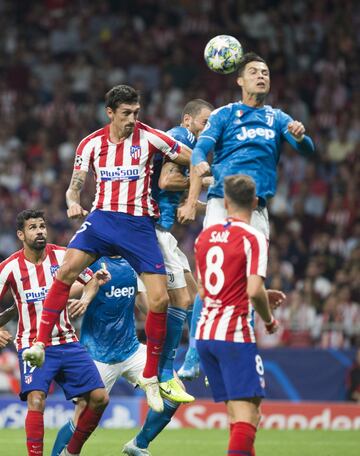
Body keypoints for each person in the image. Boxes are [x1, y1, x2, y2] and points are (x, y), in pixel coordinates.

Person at [22, 85, 192, 413]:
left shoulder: (151, 137)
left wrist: (201, 175)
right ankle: (40, 342)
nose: (132, 119)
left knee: (159, 300)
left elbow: (191, 157)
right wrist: (73, 203)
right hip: (101, 220)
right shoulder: (90, 144)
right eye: (126, 113)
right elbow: (75, 187)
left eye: (136, 113)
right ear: (110, 113)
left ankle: (152, 377)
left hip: (138, 225)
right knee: (66, 271)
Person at [178, 52, 315, 372]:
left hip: (257, 209)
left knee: (249, 283)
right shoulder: (225, 114)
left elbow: (307, 150)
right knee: (208, 279)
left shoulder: (278, 118)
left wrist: (301, 136)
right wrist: (199, 161)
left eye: (265, 72)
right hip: (220, 203)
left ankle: (237, 354)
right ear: (239, 80)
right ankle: (195, 354)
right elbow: (201, 146)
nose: (261, 76)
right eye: (254, 71)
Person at [0, 209, 110, 456]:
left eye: (42, 226)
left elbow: (92, 280)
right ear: (20, 234)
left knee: (100, 398)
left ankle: (70, 452)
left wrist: (86, 298)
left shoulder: (64, 256)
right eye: (32, 228)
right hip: (31, 344)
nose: (39, 231)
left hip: (67, 341)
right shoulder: (8, 268)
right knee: (36, 399)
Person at [50, 256, 182, 456]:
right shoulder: (91, 260)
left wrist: (164, 313)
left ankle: (139, 444)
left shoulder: (132, 261)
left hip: (130, 349)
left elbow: (143, 302)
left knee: (175, 390)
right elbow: (65, 288)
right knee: (81, 416)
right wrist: (82, 294)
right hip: (96, 355)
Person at [194, 175, 282, 455]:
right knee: (249, 417)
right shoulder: (254, 236)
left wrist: (250, 293)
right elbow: (255, 290)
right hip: (234, 335)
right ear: (256, 202)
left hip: (206, 335)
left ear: (226, 201)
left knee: (239, 416)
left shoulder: (204, 237)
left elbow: (206, 292)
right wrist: (269, 320)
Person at [152, 99, 213, 387]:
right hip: (152, 229)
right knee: (184, 299)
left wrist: (211, 202)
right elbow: (166, 182)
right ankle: (164, 367)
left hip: (165, 231)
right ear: (187, 120)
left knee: (194, 296)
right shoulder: (179, 138)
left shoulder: (189, 143)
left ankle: (192, 358)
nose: (207, 128)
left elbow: (180, 199)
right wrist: (203, 179)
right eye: (204, 122)